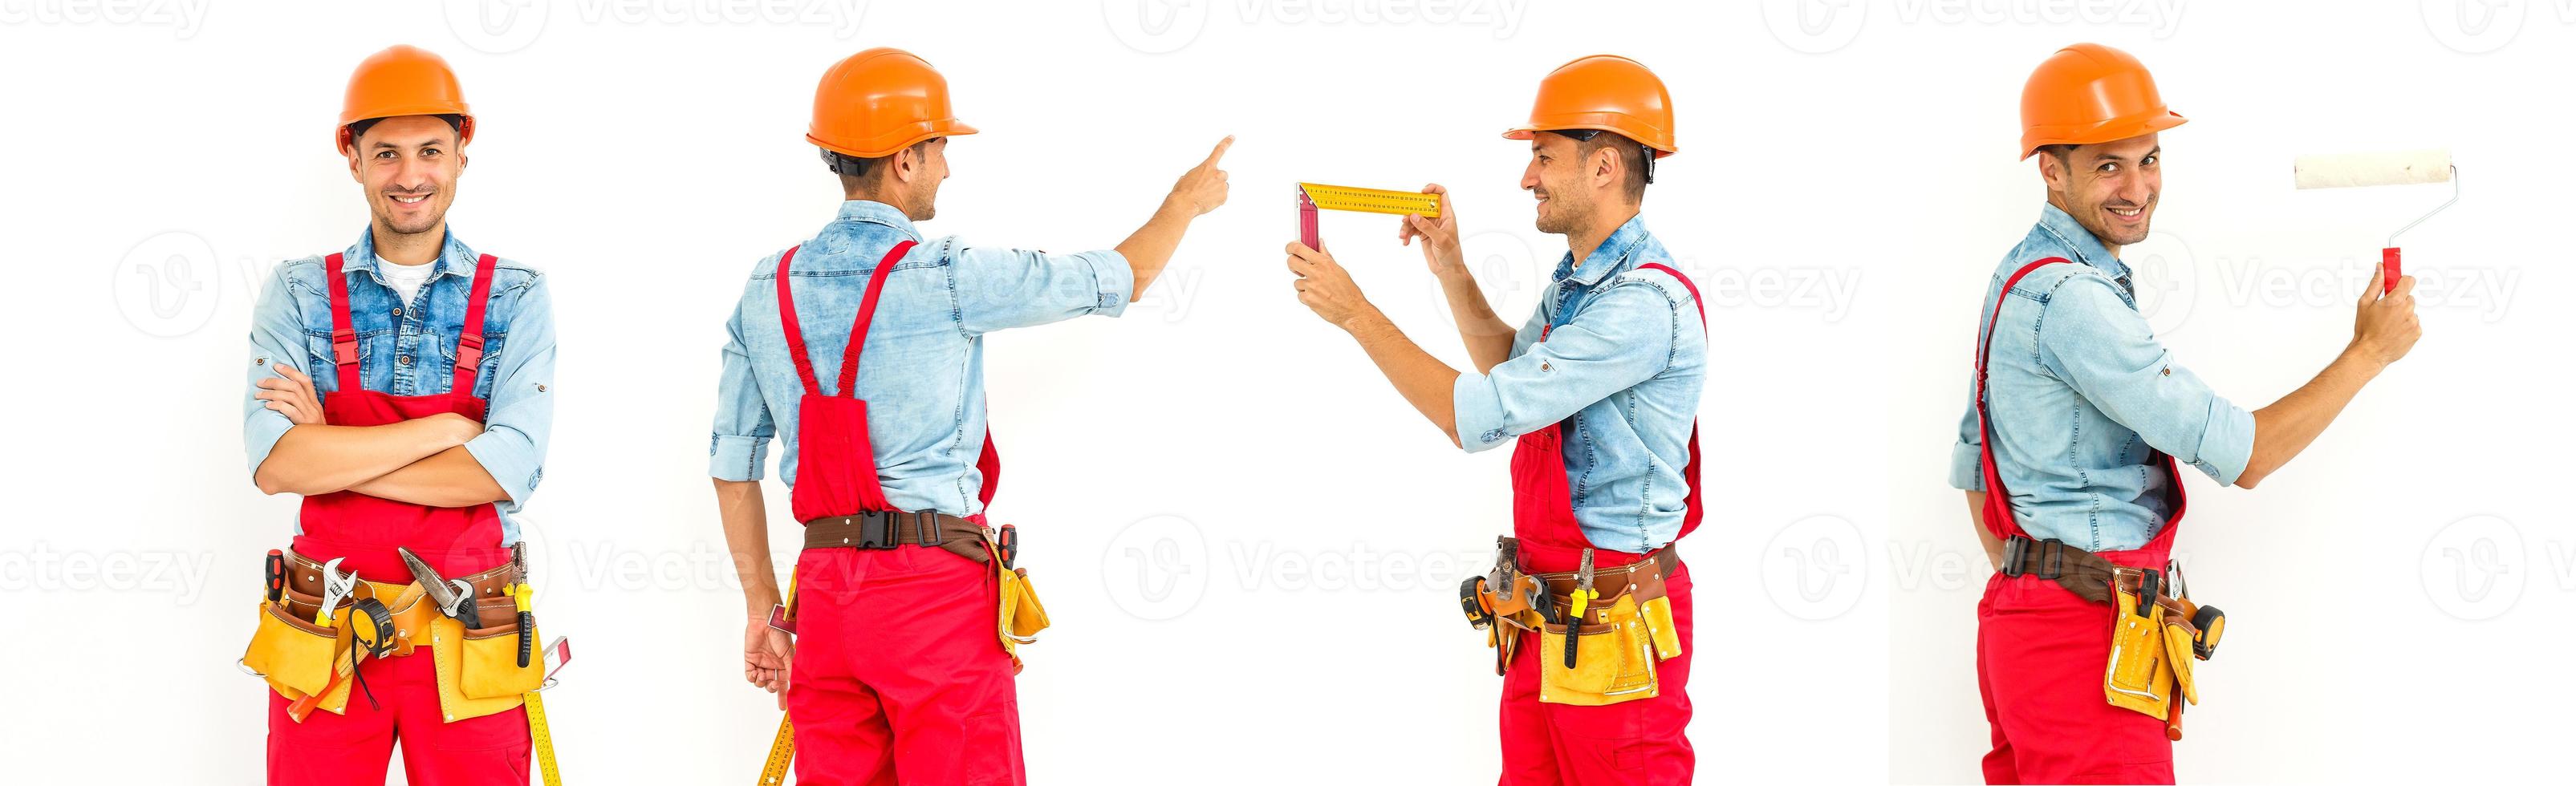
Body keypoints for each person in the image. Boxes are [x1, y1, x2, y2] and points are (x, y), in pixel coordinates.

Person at [706, 47, 1231, 784]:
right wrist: (1185, 203)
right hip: (932, 599)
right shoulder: (948, 274)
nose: (949, 167)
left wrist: (763, 608)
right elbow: (1117, 278)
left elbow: (732, 471)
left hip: (823, 602)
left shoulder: (765, 288)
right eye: (940, 147)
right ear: (905, 160)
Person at [1952, 43, 2422, 784]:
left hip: (2026, 638)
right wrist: (2368, 354)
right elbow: (2248, 455)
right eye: (2108, 164)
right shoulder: (2074, 301)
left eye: (2150, 158)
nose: (2138, 186)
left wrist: (2053, 582)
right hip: (2080, 649)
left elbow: (1978, 478)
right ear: (2051, 169)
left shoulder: (2017, 277)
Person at [1283, 55, 1703, 784]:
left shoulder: (1643, 304)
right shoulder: (1580, 285)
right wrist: (1449, 263)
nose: (1527, 177)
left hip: (1613, 630)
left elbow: (1476, 416)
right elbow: (1512, 369)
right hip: (1548, 619)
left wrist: (1355, 312)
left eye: (1543, 156)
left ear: (1604, 166)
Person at [242, 44, 557, 785]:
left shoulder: (517, 296)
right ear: (352, 157)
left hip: (471, 638)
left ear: (461, 153)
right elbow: (276, 465)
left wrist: (332, 446)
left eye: (429, 152)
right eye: (386, 153)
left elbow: (509, 468)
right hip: (327, 636)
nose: (410, 176)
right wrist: (449, 434)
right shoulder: (296, 293)